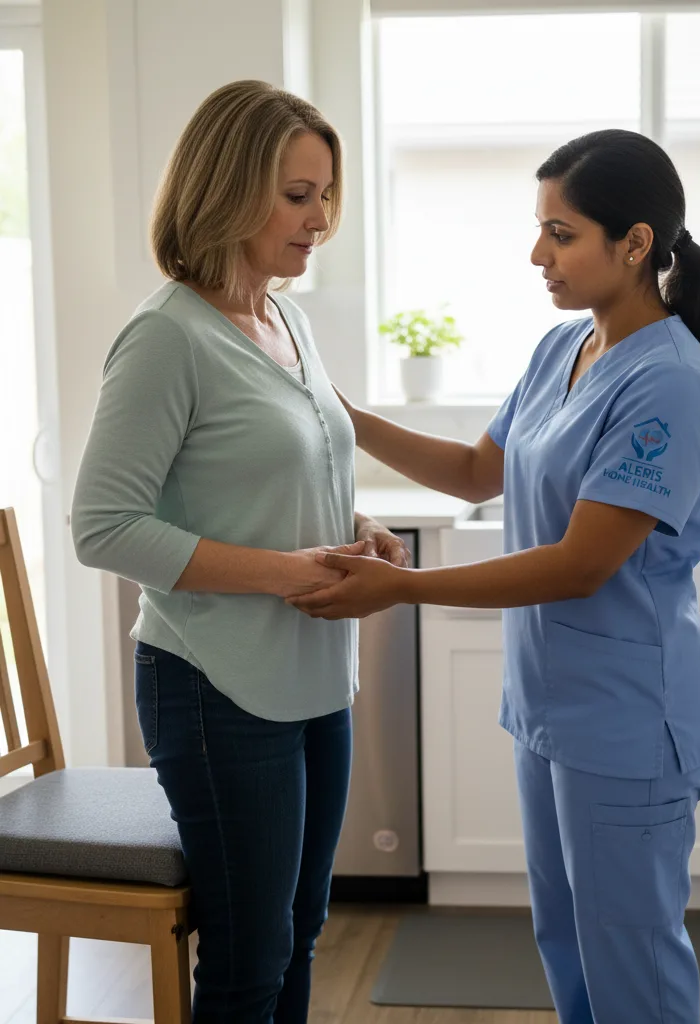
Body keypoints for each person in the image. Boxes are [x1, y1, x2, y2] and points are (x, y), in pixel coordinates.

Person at [293, 129, 700, 1023]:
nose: (538, 254)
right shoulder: (561, 350)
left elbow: (580, 566)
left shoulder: (672, 383)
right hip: (549, 711)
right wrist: (333, 411)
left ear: (637, 242)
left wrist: (405, 588)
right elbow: (472, 471)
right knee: (569, 946)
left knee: (633, 972)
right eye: (540, 229)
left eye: (562, 234)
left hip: (626, 720)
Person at [71, 80, 407, 1020]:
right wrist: (285, 573)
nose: (321, 219)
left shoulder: (286, 320)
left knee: (301, 928)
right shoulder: (165, 337)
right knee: (251, 956)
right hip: (215, 682)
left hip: (312, 673)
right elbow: (102, 524)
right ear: (225, 189)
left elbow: (293, 465)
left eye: (325, 195)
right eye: (298, 196)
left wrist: (355, 528)